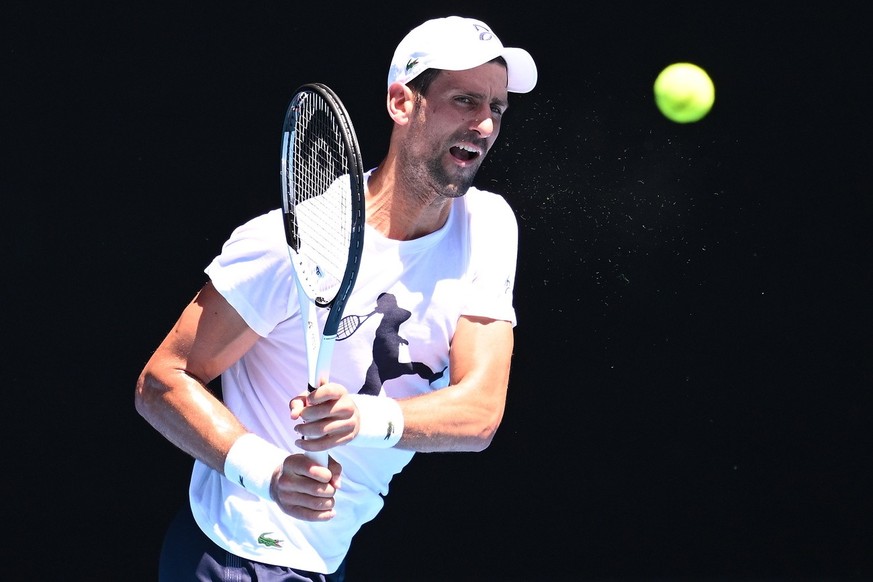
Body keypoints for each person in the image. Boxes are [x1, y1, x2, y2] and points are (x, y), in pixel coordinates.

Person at [136, 15, 537, 581]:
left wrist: (362, 418)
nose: (484, 124)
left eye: (496, 108)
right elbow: (162, 381)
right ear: (403, 103)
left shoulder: (489, 227)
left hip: (325, 559)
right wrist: (268, 470)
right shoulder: (287, 242)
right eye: (465, 100)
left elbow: (479, 413)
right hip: (236, 554)